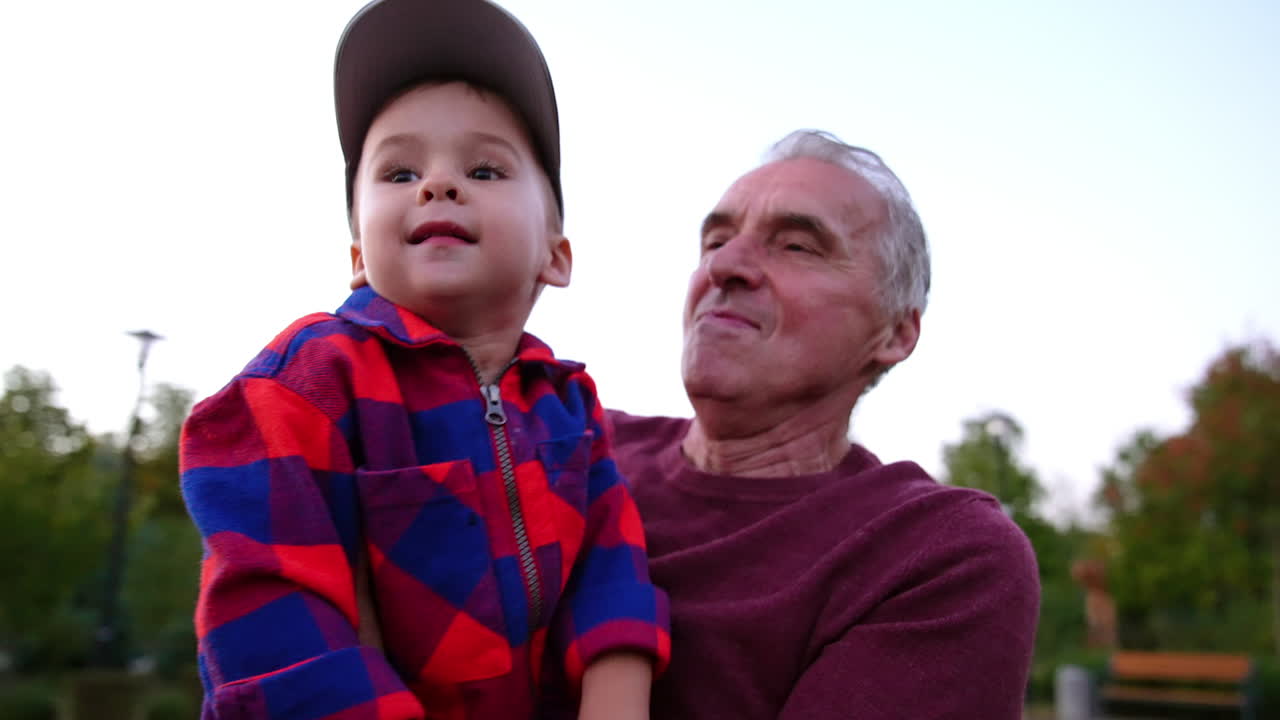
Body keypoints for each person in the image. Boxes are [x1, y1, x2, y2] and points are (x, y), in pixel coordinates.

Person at [179, 1, 668, 718]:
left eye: (485, 168)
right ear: (357, 258)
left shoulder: (572, 411)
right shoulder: (302, 387)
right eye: (400, 173)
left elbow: (611, 577)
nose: (439, 184)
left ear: (555, 256)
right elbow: (273, 625)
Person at [609, 130, 1040, 719]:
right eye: (715, 240)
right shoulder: (566, 446)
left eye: (796, 247)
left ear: (893, 333)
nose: (725, 266)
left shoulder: (935, 555)